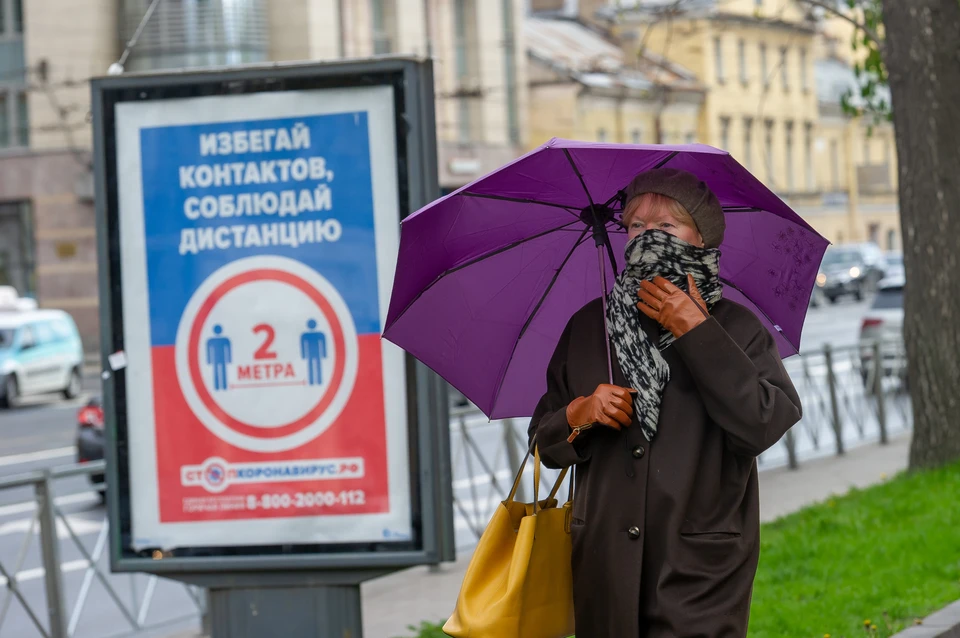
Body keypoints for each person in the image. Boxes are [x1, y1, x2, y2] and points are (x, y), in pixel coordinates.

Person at [528, 168, 802, 637]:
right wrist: (578, 415)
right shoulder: (588, 327)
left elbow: (761, 423)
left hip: (699, 573)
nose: (648, 238)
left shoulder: (737, 327)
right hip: (604, 567)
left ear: (700, 238)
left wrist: (695, 330)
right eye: (636, 227)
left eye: (666, 228)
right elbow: (543, 444)